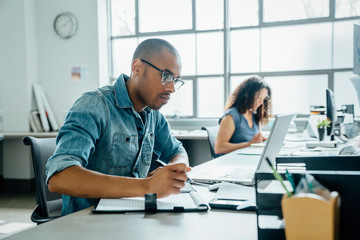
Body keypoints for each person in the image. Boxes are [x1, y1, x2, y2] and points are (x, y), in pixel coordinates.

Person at [46, 38, 190, 215]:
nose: (172, 89)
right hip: (88, 224)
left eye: (176, 80)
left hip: (131, 218)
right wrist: (147, 186)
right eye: (166, 76)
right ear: (137, 67)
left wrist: (175, 170)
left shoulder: (154, 116)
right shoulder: (95, 105)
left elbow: (177, 150)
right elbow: (59, 178)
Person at [214, 76, 272, 155]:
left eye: (263, 99)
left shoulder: (254, 116)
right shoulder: (231, 116)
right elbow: (219, 148)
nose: (261, 103)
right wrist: (249, 144)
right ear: (247, 95)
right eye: (259, 98)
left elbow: (255, 140)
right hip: (233, 162)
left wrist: (262, 140)